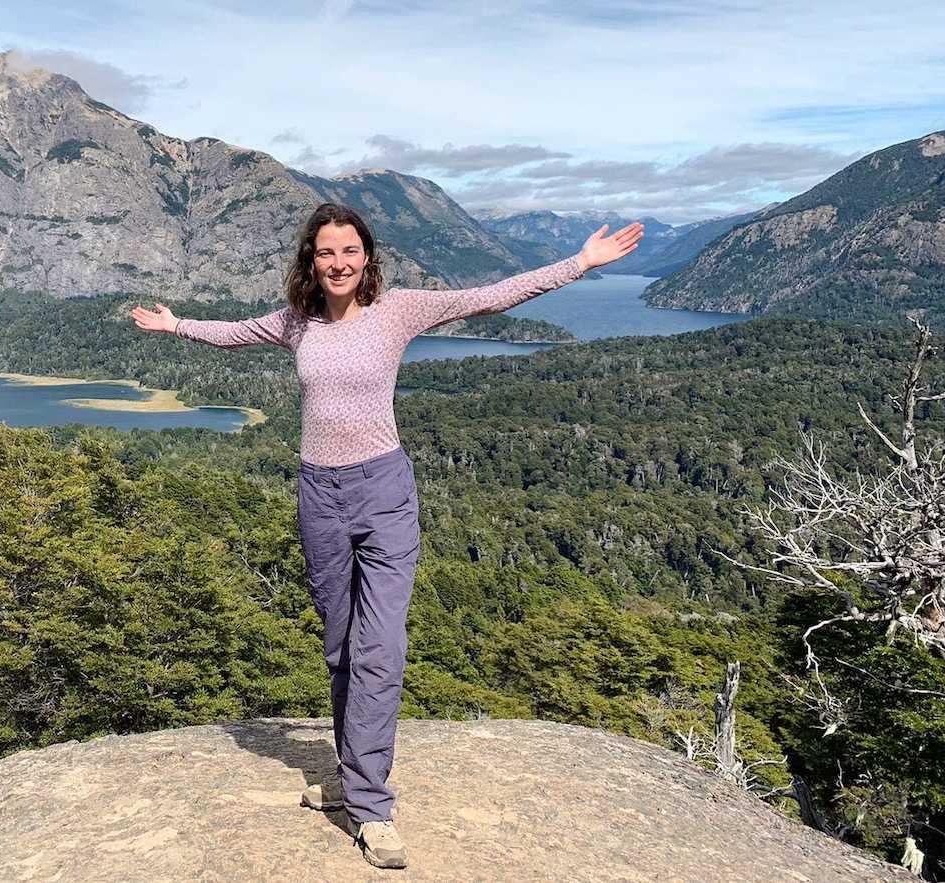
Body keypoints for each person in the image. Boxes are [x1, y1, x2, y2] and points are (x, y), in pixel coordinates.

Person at [131, 202, 642, 869]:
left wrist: (579, 263)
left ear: (367, 256)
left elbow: (488, 297)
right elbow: (231, 332)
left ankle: (372, 806)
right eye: (325, 253)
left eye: (349, 250)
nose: (338, 263)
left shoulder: (397, 310)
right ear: (310, 261)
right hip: (319, 494)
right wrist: (175, 325)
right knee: (341, 646)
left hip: (383, 493)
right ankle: (349, 775)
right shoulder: (296, 322)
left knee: (380, 648)